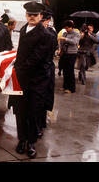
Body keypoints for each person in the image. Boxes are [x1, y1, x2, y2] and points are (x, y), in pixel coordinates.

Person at [7, 1, 51, 159]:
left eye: (35, 15)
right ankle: (22, 139)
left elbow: (35, 59)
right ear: (26, 15)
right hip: (21, 79)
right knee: (20, 112)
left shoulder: (46, 35)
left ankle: (31, 142)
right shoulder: (24, 29)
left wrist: (17, 70)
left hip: (36, 81)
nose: (32, 17)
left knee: (33, 112)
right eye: (29, 14)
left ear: (40, 16)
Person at [39, 8, 58, 137]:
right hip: (36, 69)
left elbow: (51, 51)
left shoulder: (51, 33)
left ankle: (41, 122)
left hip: (45, 68)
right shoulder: (27, 30)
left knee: (44, 96)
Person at [59, 20, 80, 93]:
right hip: (65, 53)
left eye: (68, 28)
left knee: (70, 71)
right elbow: (61, 43)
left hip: (72, 54)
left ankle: (71, 88)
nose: (66, 30)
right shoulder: (64, 33)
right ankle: (65, 86)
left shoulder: (76, 34)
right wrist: (60, 49)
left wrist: (65, 39)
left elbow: (74, 42)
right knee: (64, 70)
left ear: (71, 27)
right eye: (65, 28)